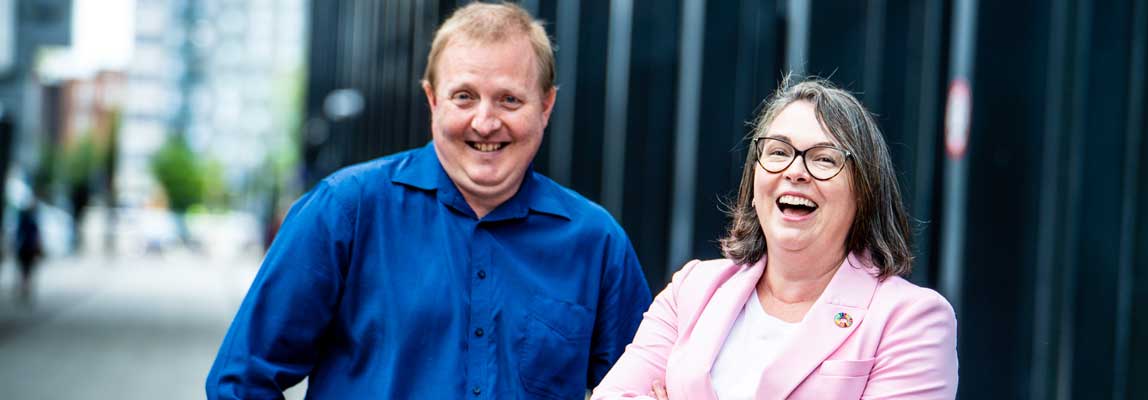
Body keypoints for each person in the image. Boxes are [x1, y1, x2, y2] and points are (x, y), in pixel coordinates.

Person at [207, 3, 652, 399]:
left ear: (547, 106)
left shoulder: (597, 243)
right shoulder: (345, 210)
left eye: (509, 100)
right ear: (433, 99)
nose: (485, 121)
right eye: (464, 96)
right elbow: (241, 379)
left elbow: (644, 390)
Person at [592, 78, 959, 399]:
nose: (795, 172)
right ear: (754, 183)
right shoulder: (692, 289)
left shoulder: (912, 320)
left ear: (864, 192)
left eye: (824, 159)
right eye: (778, 152)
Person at [14, 200, 42, 305]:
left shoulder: (24, 220)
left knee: (25, 270)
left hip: (24, 248)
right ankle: (25, 289)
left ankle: (24, 288)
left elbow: (18, 235)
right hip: (28, 249)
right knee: (27, 270)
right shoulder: (31, 220)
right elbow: (36, 236)